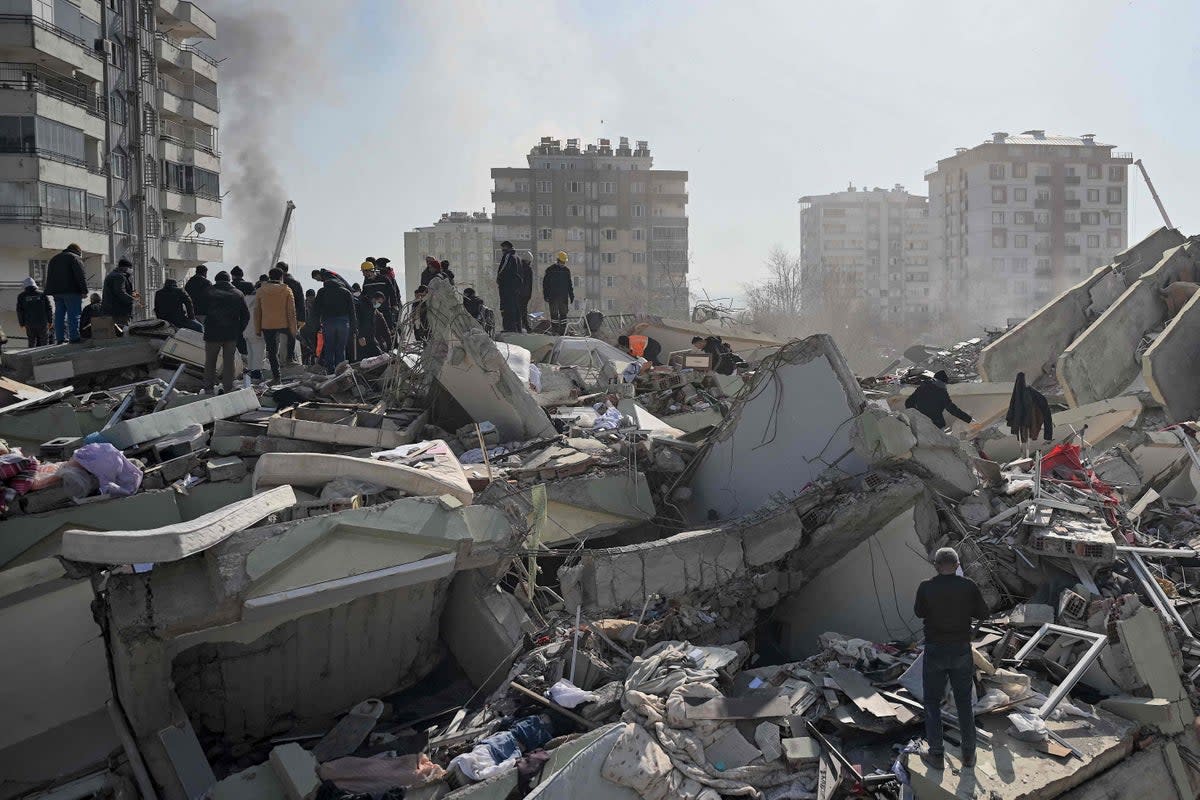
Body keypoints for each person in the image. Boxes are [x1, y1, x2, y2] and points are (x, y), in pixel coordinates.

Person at [914, 547, 988, 770]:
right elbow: (984, 613)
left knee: (932, 702)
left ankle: (936, 755)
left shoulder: (926, 587)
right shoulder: (968, 586)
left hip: (935, 651)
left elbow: (919, 613)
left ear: (936, 566)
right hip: (960, 651)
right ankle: (969, 756)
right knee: (964, 703)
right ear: (957, 566)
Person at [202, 271, 249, 393]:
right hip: (231, 334)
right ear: (229, 281)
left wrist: (206, 325)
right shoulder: (238, 294)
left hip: (212, 333)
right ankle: (228, 388)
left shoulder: (208, 292)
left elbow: (201, 311)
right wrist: (239, 330)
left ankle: (208, 388)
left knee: (210, 361)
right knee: (229, 362)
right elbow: (246, 315)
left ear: (216, 280)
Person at [254, 267, 298, 384]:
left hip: (267, 324)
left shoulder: (261, 290)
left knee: (272, 352)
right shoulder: (287, 290)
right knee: (289, 340)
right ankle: (289, 359)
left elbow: (257, 311)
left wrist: (257, 328)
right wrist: (293, 329)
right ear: (281, 277)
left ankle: (276, 377)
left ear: (269, 276)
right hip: (284, 323)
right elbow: (291, 311)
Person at [44, 243, 87, 343]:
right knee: (74, 315)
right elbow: (80, 275)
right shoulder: (75, 258)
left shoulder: (54, 258)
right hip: (72, 291)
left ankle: (60, 338)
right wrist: (84, 290)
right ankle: (74, 337)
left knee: (59, 315)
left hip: (57, 292)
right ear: (78, 251)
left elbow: (49, 276)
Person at [313, 275, 357, 370]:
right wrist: (354, 328)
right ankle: (340, 370)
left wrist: (316, 325)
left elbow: (316, 310)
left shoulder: (322, 292)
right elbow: (352, 311)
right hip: (343, 322)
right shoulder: (346, 292)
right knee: (341, 348)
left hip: (328, 322)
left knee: (329, 347)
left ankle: (330, 370)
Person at [905, 370, 973, 430]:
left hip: (920, 423)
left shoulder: (922, 387)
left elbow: (908, 402)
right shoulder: (942, 393)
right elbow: (952, 409)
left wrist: (917, 415)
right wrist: (968, 419)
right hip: (936, 425)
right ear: (944, 382)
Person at [277, 262, 306, 364]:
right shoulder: (295, 283)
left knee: (281, 340)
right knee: (290, 337)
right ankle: (289, 359)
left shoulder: (276, 284)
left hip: (277, 316)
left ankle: (281, 362)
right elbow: (301, 302)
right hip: (293, 315)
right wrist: (302, 319)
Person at [542, 252, 574, 335]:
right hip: (553, 297)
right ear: (558, 260)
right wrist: (546, 295)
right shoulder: (550, 270)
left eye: (564, 262)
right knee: (554, 315)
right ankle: (555, 331)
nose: (563, 264)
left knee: (563, 315)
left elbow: (569, 284)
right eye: (562, 262)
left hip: (563, 297)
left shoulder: (566, 271)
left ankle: (563, 331)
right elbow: (545, 284)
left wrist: (571, 295)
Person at [16, 276, 52, 347]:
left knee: (31, 342)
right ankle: (44, 356)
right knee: (44, 342)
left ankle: (31, 356)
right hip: (42, 322)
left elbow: (19, 311)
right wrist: (50, 321)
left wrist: (22, 323)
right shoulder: (42, 294)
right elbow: (49, 308)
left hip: (29, 323)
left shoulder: (21, 296)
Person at [239, 281, 265, 381]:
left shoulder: (244, 299)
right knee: (258, 352)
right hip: (257, 330)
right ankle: (256, 374)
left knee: (250, 352)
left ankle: (250, 371)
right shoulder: (260, 300)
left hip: (246, 331)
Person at [101, 259, 136, 326]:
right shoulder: (119, 276)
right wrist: (132, 300)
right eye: (129, 268)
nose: (130, 270)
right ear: (124, 267)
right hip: (119, 310)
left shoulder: (111, 275)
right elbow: (120, 292)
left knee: (113, 332)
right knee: (122, 331)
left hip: (110, 309)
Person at [356, 291, 390, 359]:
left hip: (370, 338)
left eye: (380, 303)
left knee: (379, 356)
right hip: (362, 339)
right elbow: (357, 321)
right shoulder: (361, 305)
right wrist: (359, 336)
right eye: (379, 302)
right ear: (374, 299)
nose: (379, 304)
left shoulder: (374, 309)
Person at [518, 255, 533, 332]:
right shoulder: (528, 269)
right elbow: (530, 284)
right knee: (523, 310)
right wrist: (529, 294)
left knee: (520, 310)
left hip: (519, 293)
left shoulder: (518, 268)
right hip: (525, 294)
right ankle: (525, 326)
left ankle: (521, 326)